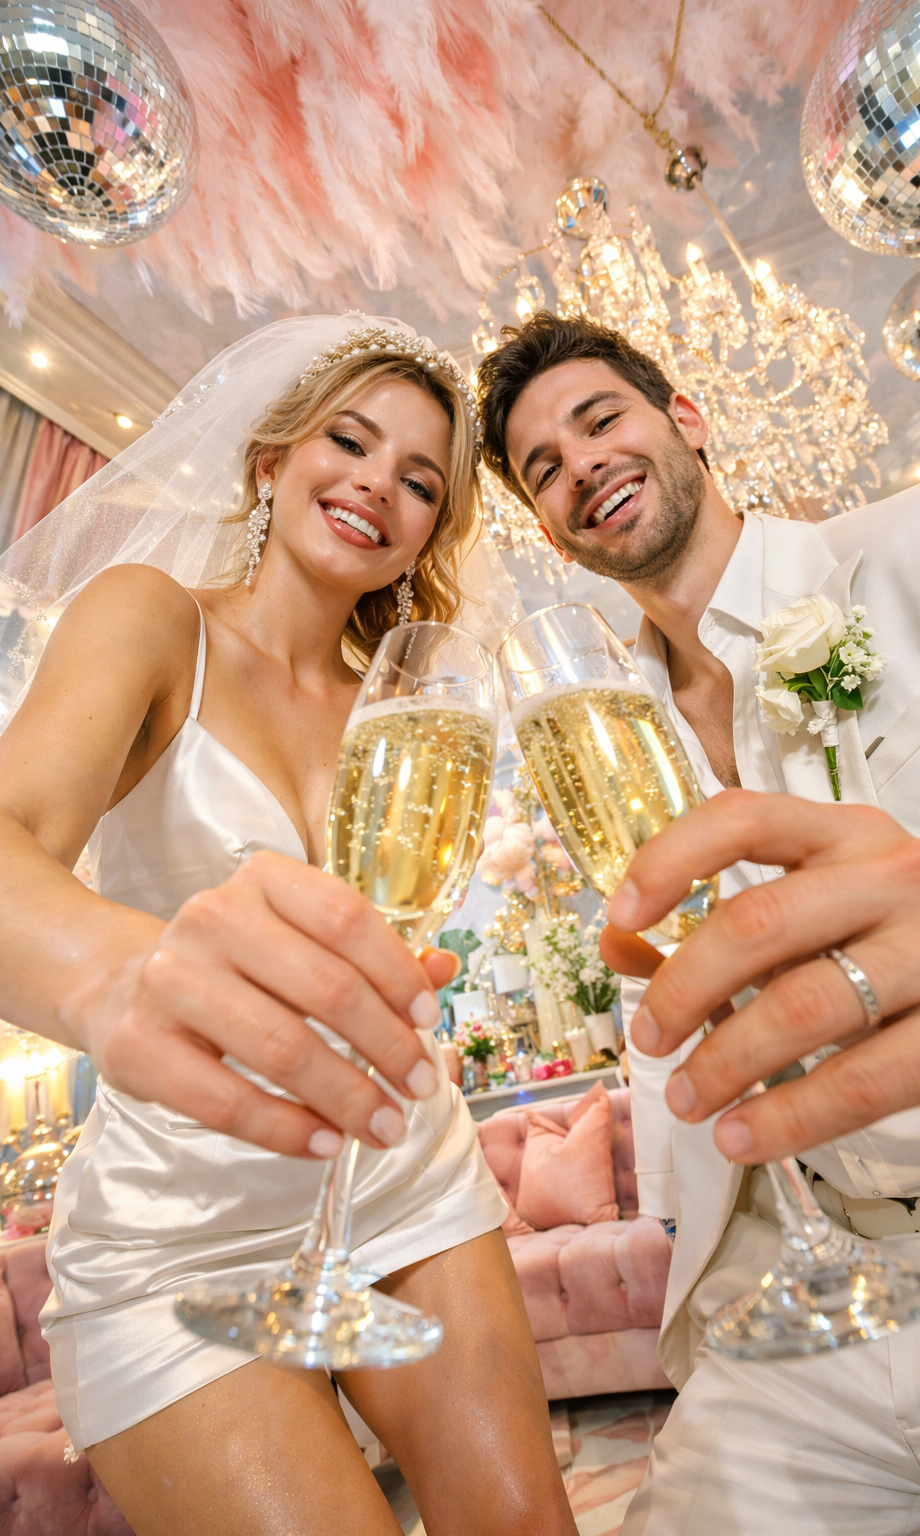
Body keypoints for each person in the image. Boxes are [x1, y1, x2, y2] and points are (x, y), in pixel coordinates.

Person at [0, 315, 575, 1536]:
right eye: (350, 441)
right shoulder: (153, 619)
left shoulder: (410, 707)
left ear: (429, 532)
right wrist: (123, 977)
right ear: (270, 460)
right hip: (184, 1222)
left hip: (406, 1170)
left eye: (420, 480)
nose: (379, 482)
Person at [477, 311, 920, 1535]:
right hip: (811, 1297)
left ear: (686, 421)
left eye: (598, 419)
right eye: (541, 469)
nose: (579, 467)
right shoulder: (609, 734)